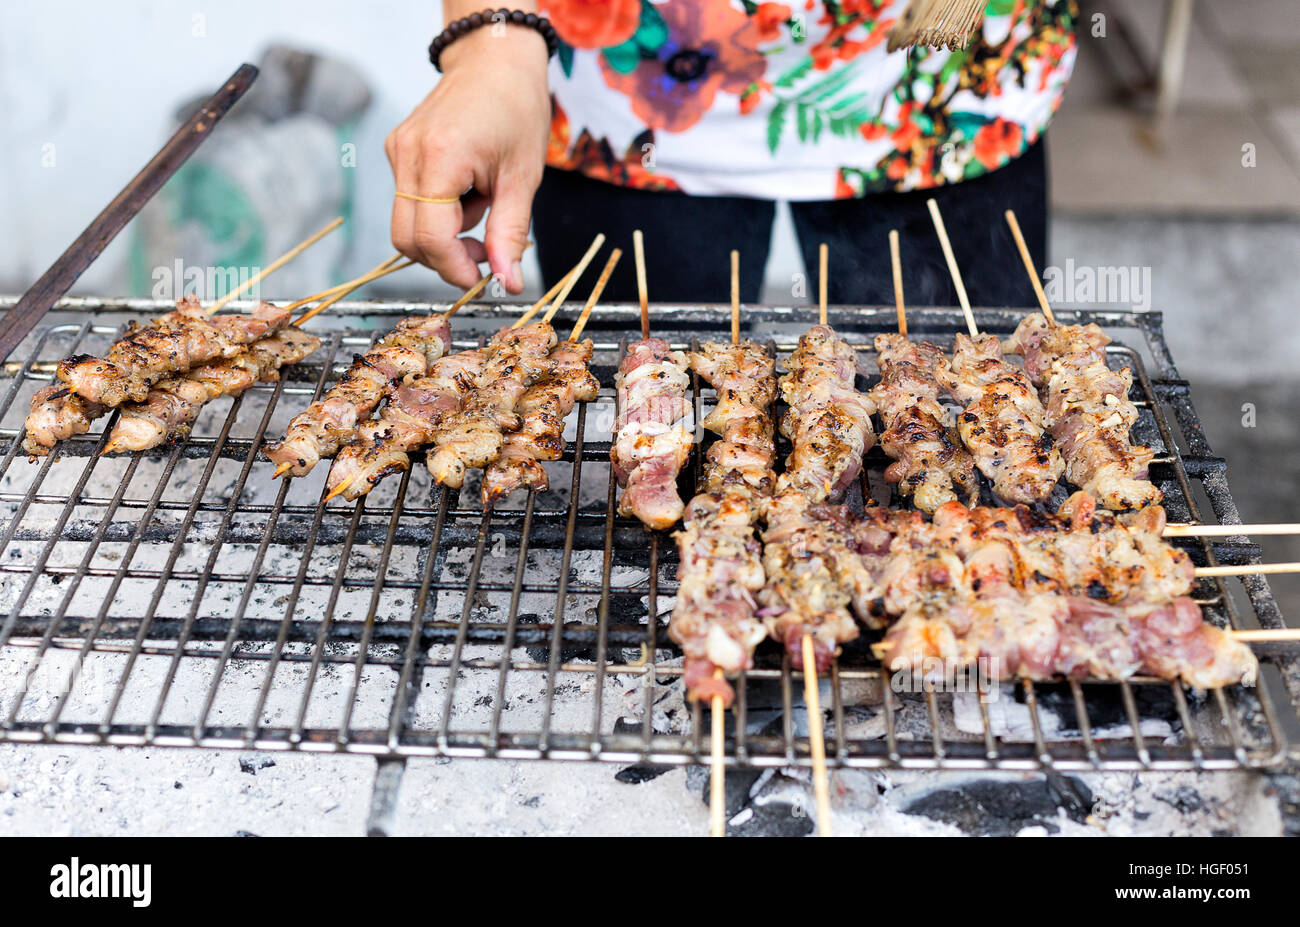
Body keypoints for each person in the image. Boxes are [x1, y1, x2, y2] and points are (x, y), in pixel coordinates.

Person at [386, 0, 1078, 306]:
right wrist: (491, 46)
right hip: (633, 90)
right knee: (649, 449)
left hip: (939, 69)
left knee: (969, 441)